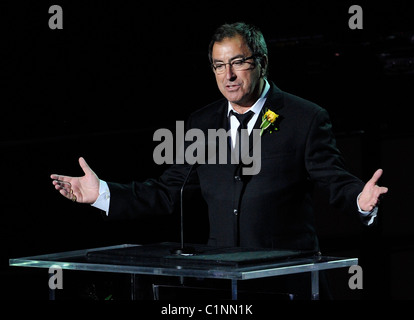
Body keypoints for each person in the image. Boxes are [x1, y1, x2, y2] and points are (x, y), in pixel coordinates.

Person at [51, 22, 387, 298]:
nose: (228, 75)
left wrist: (360, 199)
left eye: (238, 62)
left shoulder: (305, 118)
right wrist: (103, 193)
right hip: (223, 287)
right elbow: (170, 190)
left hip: (287, 281)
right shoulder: (202, 123)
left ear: (262, 62)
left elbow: (333, 178)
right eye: (218, 65)